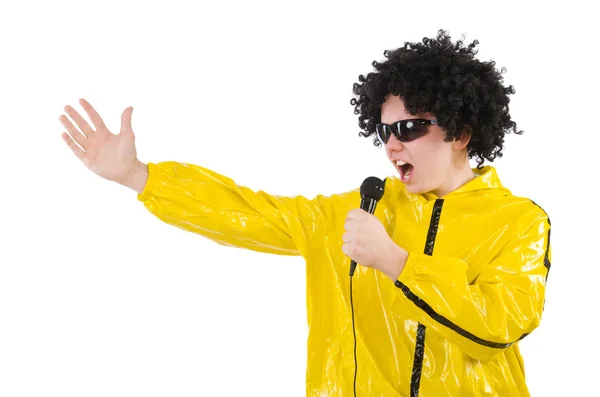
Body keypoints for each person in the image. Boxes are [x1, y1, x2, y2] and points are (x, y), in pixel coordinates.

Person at [59, 29, 551, 397]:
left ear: (461, 131)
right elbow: (250, 214)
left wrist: (398, 264)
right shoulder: (362, 210)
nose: (393, 145)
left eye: (410, 127)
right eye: (384, 132)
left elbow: (498, 326)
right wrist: (138, 177)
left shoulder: (520, 222)